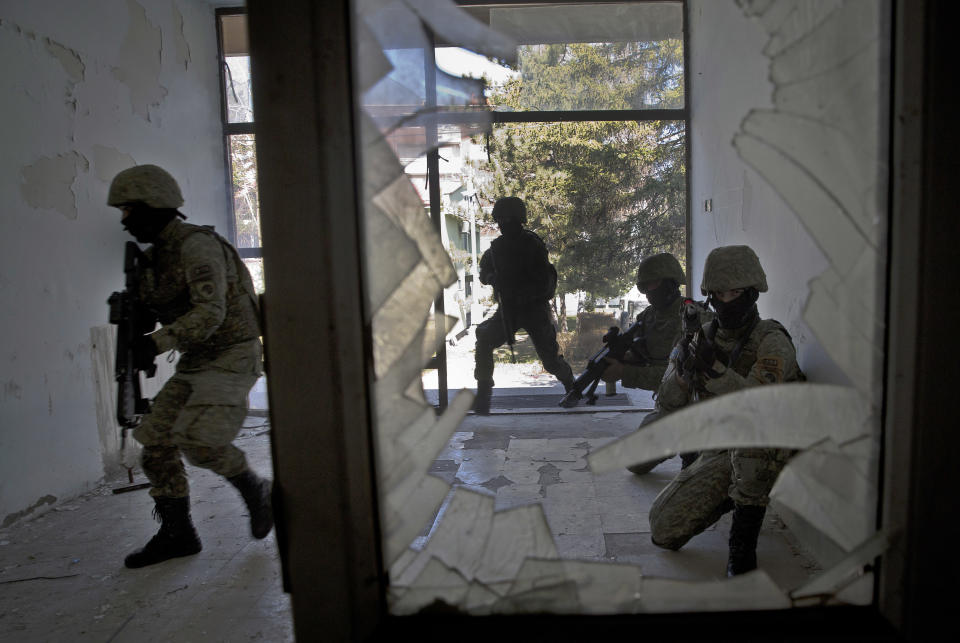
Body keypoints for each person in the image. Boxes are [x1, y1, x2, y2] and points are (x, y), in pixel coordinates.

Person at [107, 164, 273, 568]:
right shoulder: (152, 261)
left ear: (154, 205)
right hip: (198, 359)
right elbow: (157, 308)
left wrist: (156, 343)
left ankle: (258, 492)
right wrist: (134, 315)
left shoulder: (196, 246)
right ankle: (178, 534)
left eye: (129, 210)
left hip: (233, 352)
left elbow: (211, 313)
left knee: (200, 441)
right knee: (155, 441)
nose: (124, 222)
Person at [647, 245, 802, 576]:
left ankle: (742, 546)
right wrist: (683, 374)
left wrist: (716, 372)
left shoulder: (771, 340)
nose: (726, 300)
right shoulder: (702, 335)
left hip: (772, 442)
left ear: (753, 293)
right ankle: (732, 494)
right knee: (663, 528)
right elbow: (667, 403)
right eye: (718, 293)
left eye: (735, 292)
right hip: (722, 446)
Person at [473, 197, 575, 414]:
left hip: (533, 310)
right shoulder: (497, 247)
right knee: (483, 338)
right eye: (500, 220)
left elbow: (544, 281)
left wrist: (522, 292)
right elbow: (484, 272)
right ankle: (483, 393)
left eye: (507, 219)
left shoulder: (533, 245)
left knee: (550, 361)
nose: (503, 224)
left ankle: (572, 387)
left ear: (519, 220)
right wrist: (493, 278)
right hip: (508, 310)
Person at [599, 252, 693, 475]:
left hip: (694, 402)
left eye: (653, 284)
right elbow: (642, 354)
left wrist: (625, 372)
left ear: (671, 283)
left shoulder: (692, 318)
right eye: (644, 286)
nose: (648, 292)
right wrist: (625, 355)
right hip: (668, 404)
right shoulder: (648, 317)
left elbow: (682, 377)